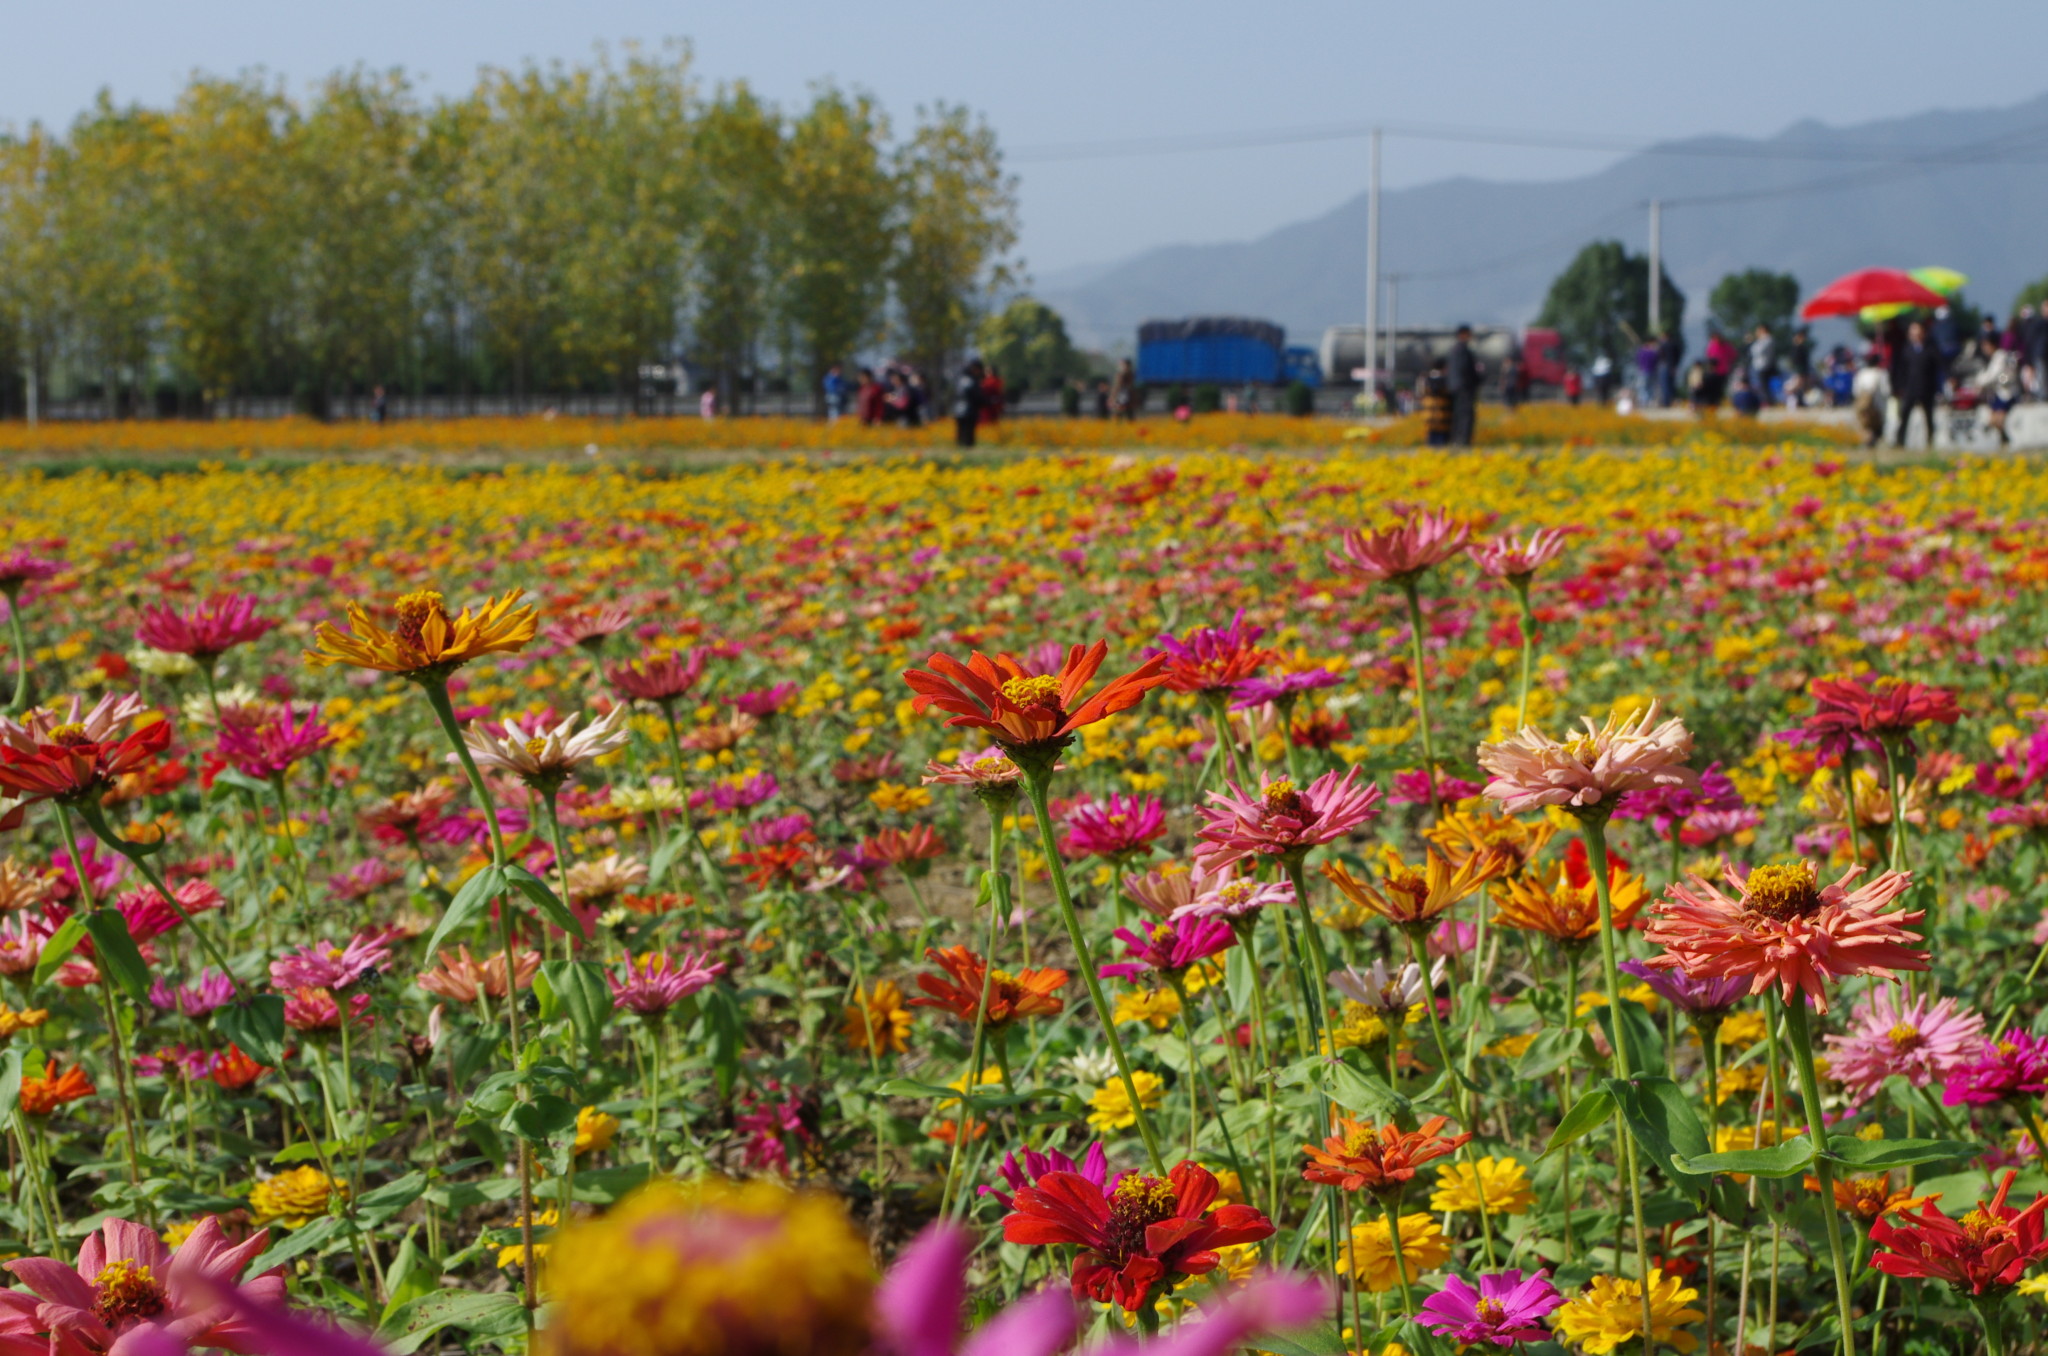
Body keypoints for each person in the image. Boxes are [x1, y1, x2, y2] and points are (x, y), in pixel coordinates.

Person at [1892, 319, 1945, 449]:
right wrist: (1899, 387)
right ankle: (1900, 441)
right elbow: (1900, 370)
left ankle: (1930, 441)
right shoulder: (1905, 350)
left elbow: (1940, 366)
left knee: (1928, 417)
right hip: (1910, 388)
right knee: (1904, 415)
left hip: (1926, 388)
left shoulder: (1930, 349)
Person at [1445, 324, 1482, 446]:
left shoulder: (1454, 350)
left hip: (1455, 386)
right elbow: (1465, 369)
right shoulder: (1463, 350)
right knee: (1465, 414)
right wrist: (1477, 379)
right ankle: (1463, 440)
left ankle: (1456, 438)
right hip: (1464, 387)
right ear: (1463, 334)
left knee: (1458, 413)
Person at [1851, 350, 1889, 447]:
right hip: (1877, 406)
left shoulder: (1861, 374)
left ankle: (1867, 441)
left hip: (1863, 405)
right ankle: (1873, 441)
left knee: (1865, 424)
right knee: (1876, 425)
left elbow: (1855, 391)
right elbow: (1886, 391)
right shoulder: (1881, 373)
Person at [1418, 359, 1452, 446]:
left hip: (1429, 412)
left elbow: (1421, 392)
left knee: (1431, 435)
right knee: (1441, 438)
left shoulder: (1425, 379)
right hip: (1443, 412)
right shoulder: (1446, 379)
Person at [953, 359, 985, 447]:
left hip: (959, 409)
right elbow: (976, 397)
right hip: (969, 410)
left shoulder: (961, 379)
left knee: (961, 433)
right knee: (968, 435)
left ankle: (961, 449)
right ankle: (967, 448)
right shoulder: (972, 380)